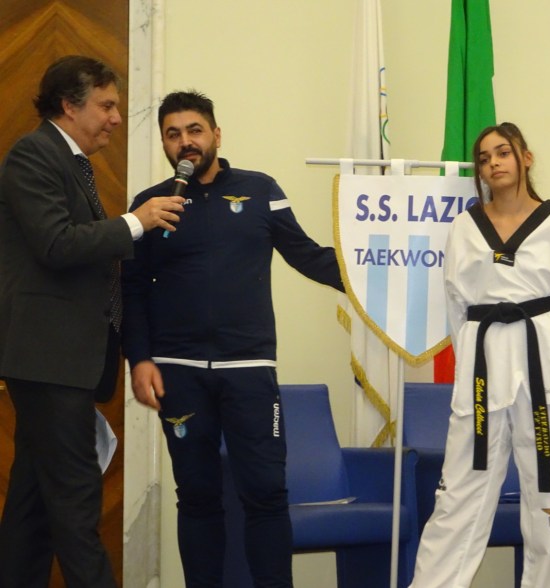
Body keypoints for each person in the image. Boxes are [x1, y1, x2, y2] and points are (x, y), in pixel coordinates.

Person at [121, 90, 344, 587]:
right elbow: (131, 290)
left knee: (266, 493)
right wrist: (139, 359)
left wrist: (375, 280)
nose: (185, 142)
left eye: (194, 130)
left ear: (216, 135)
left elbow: (307, 255)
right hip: (178, 372)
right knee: (197, 496)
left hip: (249, 370)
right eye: (173, 134)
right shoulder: (149, 205)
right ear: (164, 143)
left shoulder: (260, 189)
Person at [0, 56, 184, 588]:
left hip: (60, 362)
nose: (117, 118)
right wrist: (135, 223)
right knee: (77, 502)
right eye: (106, 106)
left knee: (32, 507)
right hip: (49, 359)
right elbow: (57, 244)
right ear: (69, 105)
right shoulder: (33, 154)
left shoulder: (69, 161)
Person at [409, 122, 550, 588]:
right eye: (484, 157)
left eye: (503, 152)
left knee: (549, 492)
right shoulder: (465, 226)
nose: (493, 163)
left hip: (544, 363)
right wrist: (473, 364)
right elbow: (456, 307)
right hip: (483, 363)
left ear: (525, 158)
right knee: (459, 489)